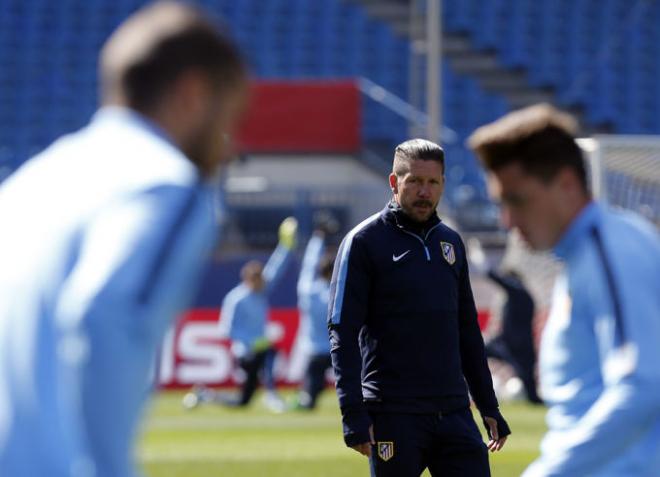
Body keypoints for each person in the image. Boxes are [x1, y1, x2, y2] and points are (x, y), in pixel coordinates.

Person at [0, 3, 247, 476]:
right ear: (193, 94)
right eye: (229, 117)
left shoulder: (31, 181)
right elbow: (101, 316)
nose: (229, 143)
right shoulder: (166, 186)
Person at [468, 103, 660, 476]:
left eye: (518, 200)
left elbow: (643, 384)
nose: (508, 221)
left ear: (567, 184)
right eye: (501, 204)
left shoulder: (610, 252)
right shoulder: (589, 252)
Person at [328, 138, 510, 477]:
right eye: (414, 181)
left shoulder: (450, 242)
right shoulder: (363, 242)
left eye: (433, 182)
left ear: (443, 184)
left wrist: (488, 404)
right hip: (393, 414)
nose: (424, 192)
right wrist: (352, 412)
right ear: (394, 182)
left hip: (454, 411)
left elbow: (467, 330)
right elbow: (342, 331)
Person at [185, 218, 297, 412]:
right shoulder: (236, 299)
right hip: (245, 352)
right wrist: (251, 342)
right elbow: (226, 329)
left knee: (270, 353)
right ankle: (206, 395)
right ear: (247, 279)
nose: (261, 283)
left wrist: (285, 245)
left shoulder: (261, 290)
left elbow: (276, 267)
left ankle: (271, 395)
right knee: (243, 401)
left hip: (260, 348)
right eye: (257, 280)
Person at [291, 220, 336, 410]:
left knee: (309, 400)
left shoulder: (308, 290)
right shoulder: (339, 292)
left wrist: (318, 238)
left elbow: (309, 266)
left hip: (314, 351)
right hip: (338, 350)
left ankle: (304, 399)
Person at [484, 268, 541, 404]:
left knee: (529, 385)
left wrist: (488, 271)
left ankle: (536, 401)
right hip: (504, 343)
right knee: (473, 353)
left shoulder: (521, 294)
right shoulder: (515, 296)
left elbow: (506, 284)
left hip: (520, 347)